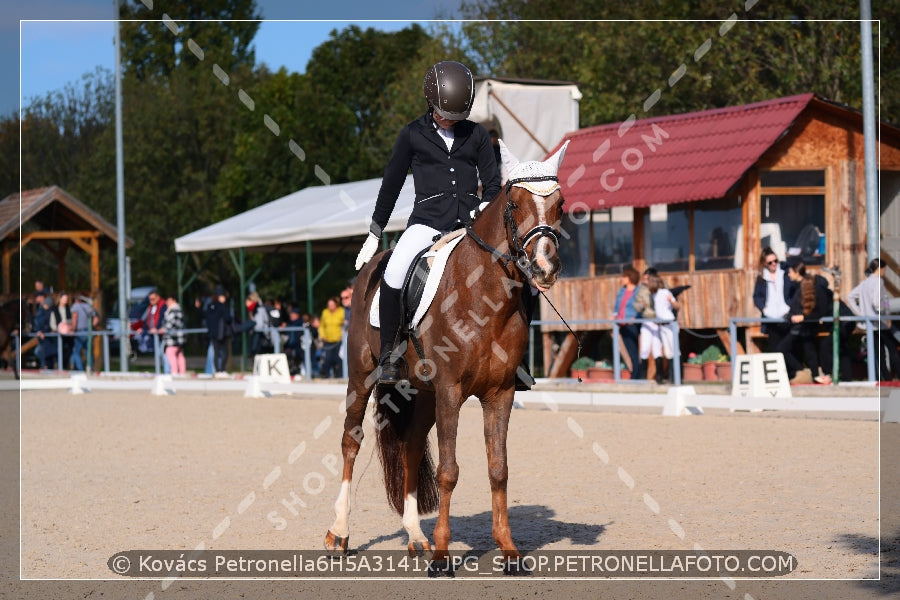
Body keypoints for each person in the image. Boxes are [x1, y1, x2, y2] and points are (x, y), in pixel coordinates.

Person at [354, 60, 501, 386]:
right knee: (394, 271)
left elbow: (493, 182)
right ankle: (391, 355)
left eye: (456, 117)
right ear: (430, 103)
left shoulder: (476, 134)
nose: (450, 121)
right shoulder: (412, 134)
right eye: (445, 114)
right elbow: (391, 183)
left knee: (510, 270)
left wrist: (486, 206)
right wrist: (375, 232)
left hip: (468, 225)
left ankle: (511, 358)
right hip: (427, 223)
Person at [777, 259, 832, 384]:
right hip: (801, 327)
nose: (789, 275)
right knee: (810, 352)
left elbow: (819, 311)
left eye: (790, 272)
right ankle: (814, 374)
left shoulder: (810, 287)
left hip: (804, 327)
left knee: (783, 349)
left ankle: (805, 371)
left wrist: (803, 318)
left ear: (797, 272)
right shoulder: (796, 288)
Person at [847, 258, 900, 381]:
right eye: (884, 269)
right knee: (892, 349)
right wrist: (885, 314)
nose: (884, 272)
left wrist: (860, 314)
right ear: (880, 269)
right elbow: (879, 302)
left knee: (879, 353)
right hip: (880, 322)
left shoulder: (865, 283)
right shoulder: (878, 282)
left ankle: (887, 378)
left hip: (870, 324)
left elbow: (850, 297)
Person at [752, 247, 795, 352]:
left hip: (786, 314)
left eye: (775, 261)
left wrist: (790, 305)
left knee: (788, 346)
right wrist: (764, 309)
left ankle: (792, 368)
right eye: (770, 262)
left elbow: (794, 290)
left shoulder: (784, 273)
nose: (774, 264)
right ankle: (780, 367)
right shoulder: (762, 278)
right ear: (765, 264)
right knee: (775, 346)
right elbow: (756, 296)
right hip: (770, 316)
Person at [649, 273, 680, 384]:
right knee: (667, 352)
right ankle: (672, 377)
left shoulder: (665, 292)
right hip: (661, 325)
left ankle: (677, 377)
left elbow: (677, 306)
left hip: (670, 323)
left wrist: (671, 300)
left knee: (674, 350)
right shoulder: (654, 295)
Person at [613, 266, 641, 379]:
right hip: (622, 323)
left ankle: (636, 374)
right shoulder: (622, 290)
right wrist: (614, 315)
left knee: (634, 349)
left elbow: (641, 307)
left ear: (630, 277)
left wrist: (635, 318)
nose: (622, 279)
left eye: (624, 277)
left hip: (632, 323)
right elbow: (618, 306)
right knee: (629, 350)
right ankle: (635, 373)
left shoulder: (638, 291)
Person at [634, 267, 658, 380]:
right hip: (647, 320)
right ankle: (643, 378)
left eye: (647, 279)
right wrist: (641, 306)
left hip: (659, 322)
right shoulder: (642, 289)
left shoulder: (661, 287)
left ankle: (661, 377)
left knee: (658, 349)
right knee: (644, 349)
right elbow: (636, 305)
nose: (644, 281)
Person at [204, 285, 232, 376]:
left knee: (216, 352)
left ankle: (217, 370)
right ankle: (222, 369)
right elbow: (228, 318)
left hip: (212, 333)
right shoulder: (222, 306)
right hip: (222, 333)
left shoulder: (209, 307)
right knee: (224, 351)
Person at [318, 297, 345, 378]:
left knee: (339, 359)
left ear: (336, 304)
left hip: (339, 340)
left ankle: (340, 376)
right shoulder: (325, 312)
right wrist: (323, 336)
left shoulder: (342, 311)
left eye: (332, 305)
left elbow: (345, 325)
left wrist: (343, 336)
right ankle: (326, 376)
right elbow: (321, 326)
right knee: (327, 359)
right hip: (328, 340)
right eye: (329, 305)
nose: (330, 306)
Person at [70, 294, 97, 372]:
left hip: (80, 331)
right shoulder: (89, 307)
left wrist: (73, 329)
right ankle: (90, 368)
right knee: (88, 351)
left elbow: (75, 318)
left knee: (76, 351)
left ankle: (80, 369)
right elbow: (96, 319)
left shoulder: (76, 306)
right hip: (88, 331)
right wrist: (91, 326)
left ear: (76, 300)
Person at [160, 296, 186, 375]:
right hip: (178, 337)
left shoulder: (174, 310)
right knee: (179, 355)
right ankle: (182, 373)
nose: (166, 302)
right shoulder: (176, 309)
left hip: (173, 337)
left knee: (170, 353)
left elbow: (171, 323)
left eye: (168, 300)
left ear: (174, 300)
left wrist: (163, 329)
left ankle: (174, 372)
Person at [49, 291, 74, 369]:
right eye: (64, 298)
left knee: (68, 351)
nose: (65, 300)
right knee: (59, 350)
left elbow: (72, 321)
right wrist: (59, 329)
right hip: (58, 334)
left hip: (68, 335)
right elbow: (52, 323)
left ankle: (66, 366)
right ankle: (58, 366)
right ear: (60, 299)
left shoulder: (69, 309)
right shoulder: (55, 310)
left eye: (66, 299)